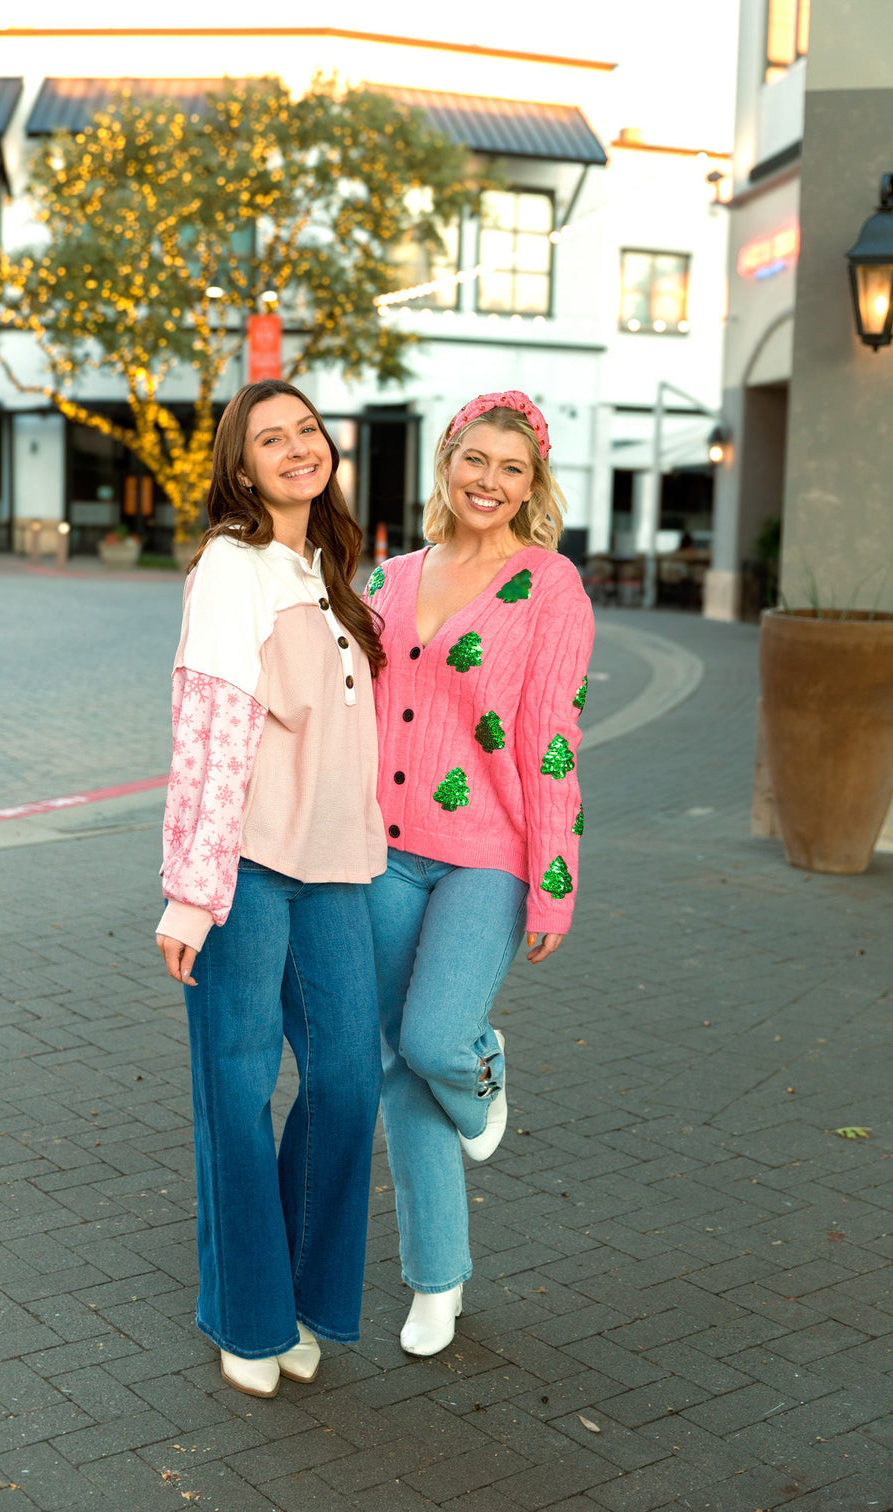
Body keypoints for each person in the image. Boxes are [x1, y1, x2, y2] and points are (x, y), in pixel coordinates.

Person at [156, 379, 386, 1397]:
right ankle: (246, 1316)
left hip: (337, 870)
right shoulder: (232, 566)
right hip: (246, 870)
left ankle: (300, 1294)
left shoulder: (333, 574)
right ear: (241, 467)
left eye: (307, 431)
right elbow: (207, 734)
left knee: (347, 1081)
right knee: (239, 1094)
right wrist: (188, 894)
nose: (297, 448)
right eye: (270, 439)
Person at [365, 390, 594, 1356]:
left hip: (487, 856)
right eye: (475, 460)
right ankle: (436, 1281)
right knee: (393, 1066)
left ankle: (480, 1063)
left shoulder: (550, 587)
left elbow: (553, 735)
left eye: (511, 468)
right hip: (376, 848)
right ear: (447, 464)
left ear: (532, 483)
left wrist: (556, 879)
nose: (488, 482)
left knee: (432, 1038)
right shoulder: (385, 575)